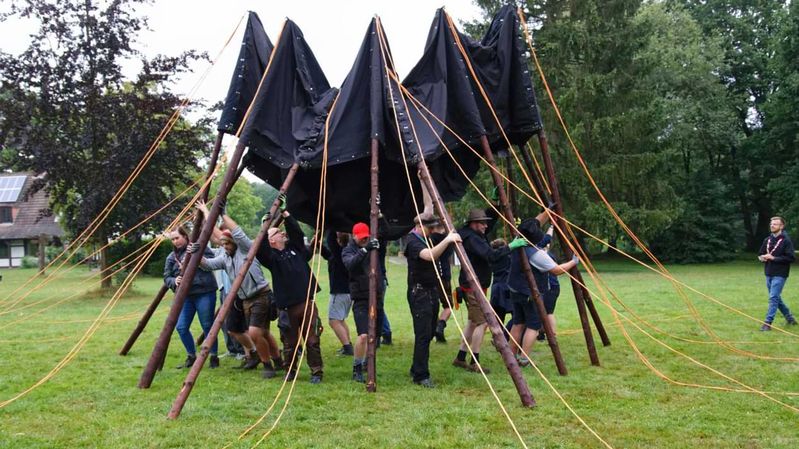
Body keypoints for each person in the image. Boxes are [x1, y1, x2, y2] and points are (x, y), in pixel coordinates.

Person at [193, 202, 282, 379]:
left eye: (227, 244)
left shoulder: (246, 249)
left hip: (261, 295)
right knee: (262, 332)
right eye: (223, 245)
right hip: (245, 299)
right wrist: (196, 254)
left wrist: (223, 214)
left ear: (234, 243)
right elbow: (209, 265)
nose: (225, 247)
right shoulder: (225, 258)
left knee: (256, 332)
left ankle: (267, 365)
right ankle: (278, 360)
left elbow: (238, 232)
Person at [452, 208, 527, 373]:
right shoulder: (472, 239)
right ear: (473, 224)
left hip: (475, 284)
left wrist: (495, 205)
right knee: (482, 322)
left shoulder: (472, 233)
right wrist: (511, 246)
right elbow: (491, 255)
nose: (486, 226)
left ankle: (460, 357)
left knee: (473, 322)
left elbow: (490, 224)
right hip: (473, 286)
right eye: (482, 223)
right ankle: (474, 362)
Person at [256, 206, 324, 384]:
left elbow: (296, 232)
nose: (282, 233)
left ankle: (316, 371)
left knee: (312, 340)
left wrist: (286, 214)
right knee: (290, 344)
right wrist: (265, 225)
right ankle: (290, 371)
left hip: (306, 303)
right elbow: (260, 248)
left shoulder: (296, 249)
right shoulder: (271, 258)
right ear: (271, 240)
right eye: (277, 232)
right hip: (286, 308)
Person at [507, 213, 578, 366]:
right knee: (533, 325)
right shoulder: (536, 254)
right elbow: (557, 270)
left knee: (518, 323)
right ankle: (524, 358)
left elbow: (535, 222)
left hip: (514, 290)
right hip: (528, 293)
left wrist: (548, 212)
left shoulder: (516, 241)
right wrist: (573, 262)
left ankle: (511, 356)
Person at [403, 215, 461, 388]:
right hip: (419, 293)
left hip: (430, 291)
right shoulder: (413, 241)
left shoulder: (424, 237)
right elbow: (429, 256)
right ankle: (421, 375)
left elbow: (428, 206)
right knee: (422, 334)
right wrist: (447, 240)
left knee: (428, 334)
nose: (434, 231)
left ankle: (416, 367)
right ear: (420, 226)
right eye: (430, 228)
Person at [164, 225, 219, 369]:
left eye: (177, 238)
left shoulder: (199, 247)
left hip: (204, 291)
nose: (175, 241)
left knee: (207, 325)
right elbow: (166, 277)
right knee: (181, 327)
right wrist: (173, 281)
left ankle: (213, 356)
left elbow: (213, 261)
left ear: (185, 236)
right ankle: (191, 355)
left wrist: (197, 255)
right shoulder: (171, 257)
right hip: (185, 296)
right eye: (173, 239)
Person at [341, 222, 386, 383]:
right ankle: (357, 367)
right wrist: (365, 250)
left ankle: (369, 362)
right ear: (354, 236)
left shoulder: (375, 245)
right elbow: (350, 264)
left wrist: (381, 217)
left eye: (366, 238)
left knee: (375, 337)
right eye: (361, 238)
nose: (363, 240)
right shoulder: (348, 250)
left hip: (377, 297)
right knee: (363, 336)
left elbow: (385, 231)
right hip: (360, 298)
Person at [758, 216, 798, 330]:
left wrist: (773, 258)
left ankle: (767, 323)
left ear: (781, 226)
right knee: (776, 298)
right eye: (771, 224)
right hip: (768, 272)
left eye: (775, 224)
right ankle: (790, 318)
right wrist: (762, 258)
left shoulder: (786, 240)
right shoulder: (767, 239)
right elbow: (760, 253)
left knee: (773, 297)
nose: (772, 225)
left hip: (780, 274)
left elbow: (791, 258)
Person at [321, 230, 354, 356]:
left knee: (333, 320)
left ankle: (347, 347)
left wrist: (330, 226)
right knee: (340, 320)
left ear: (337, 240)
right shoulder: (345, 253)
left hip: (340, 292)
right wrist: (318, 244)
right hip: (347, 292)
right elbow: (328, 255)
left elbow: (330, 243)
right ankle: (348, 344)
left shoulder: (340, 252)